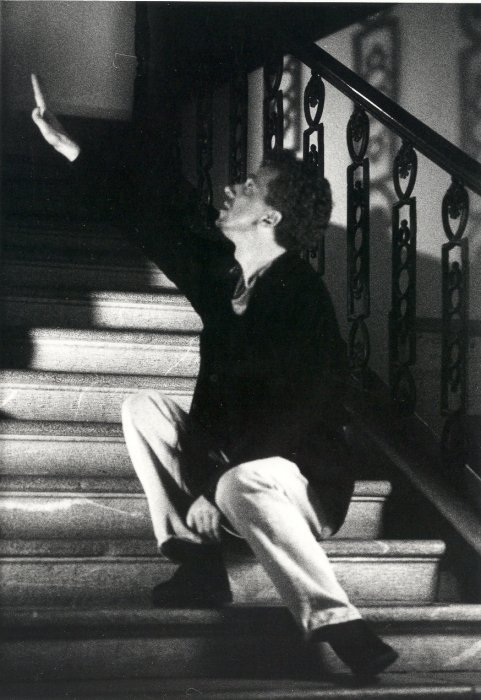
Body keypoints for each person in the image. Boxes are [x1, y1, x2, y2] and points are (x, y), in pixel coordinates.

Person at [31, 74, 398, 677]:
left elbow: (304, 408)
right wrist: (71, 148)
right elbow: (146, 221)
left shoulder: (302, 296)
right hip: (235, 470)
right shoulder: (224, 278)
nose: (232, 187)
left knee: (237, 485)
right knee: (143, 409)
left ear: (270, 216)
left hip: (301, 480)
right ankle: (198, 562)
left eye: (248, 185)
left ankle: (341, 623)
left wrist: (216, 480)